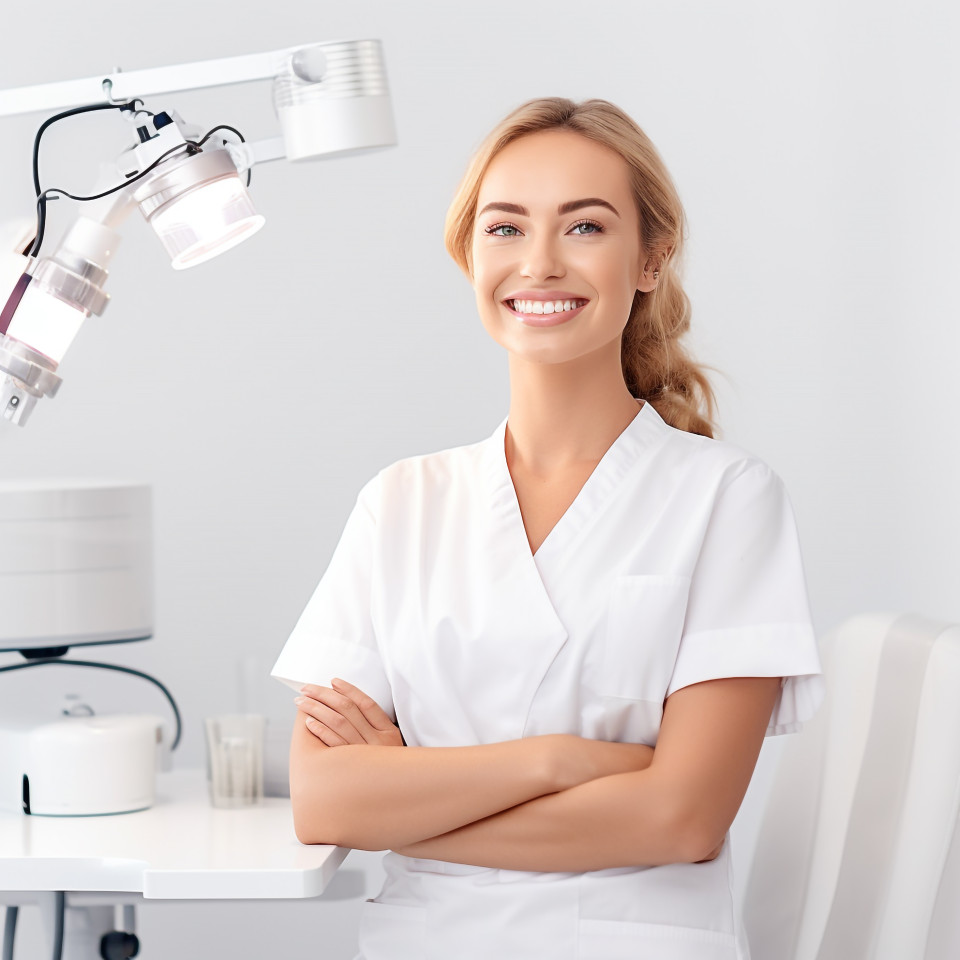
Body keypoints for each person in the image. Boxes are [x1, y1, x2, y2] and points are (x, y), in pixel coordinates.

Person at [270, 97, 826, 959]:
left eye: (585, 227)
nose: (539, 263)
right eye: (504, 229)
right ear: (468, 256)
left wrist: (408, 808)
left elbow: (680, 818)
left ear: (651, 258)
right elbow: (326, 803)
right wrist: (560, 760)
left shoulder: (728, 497)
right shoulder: (402, 501)